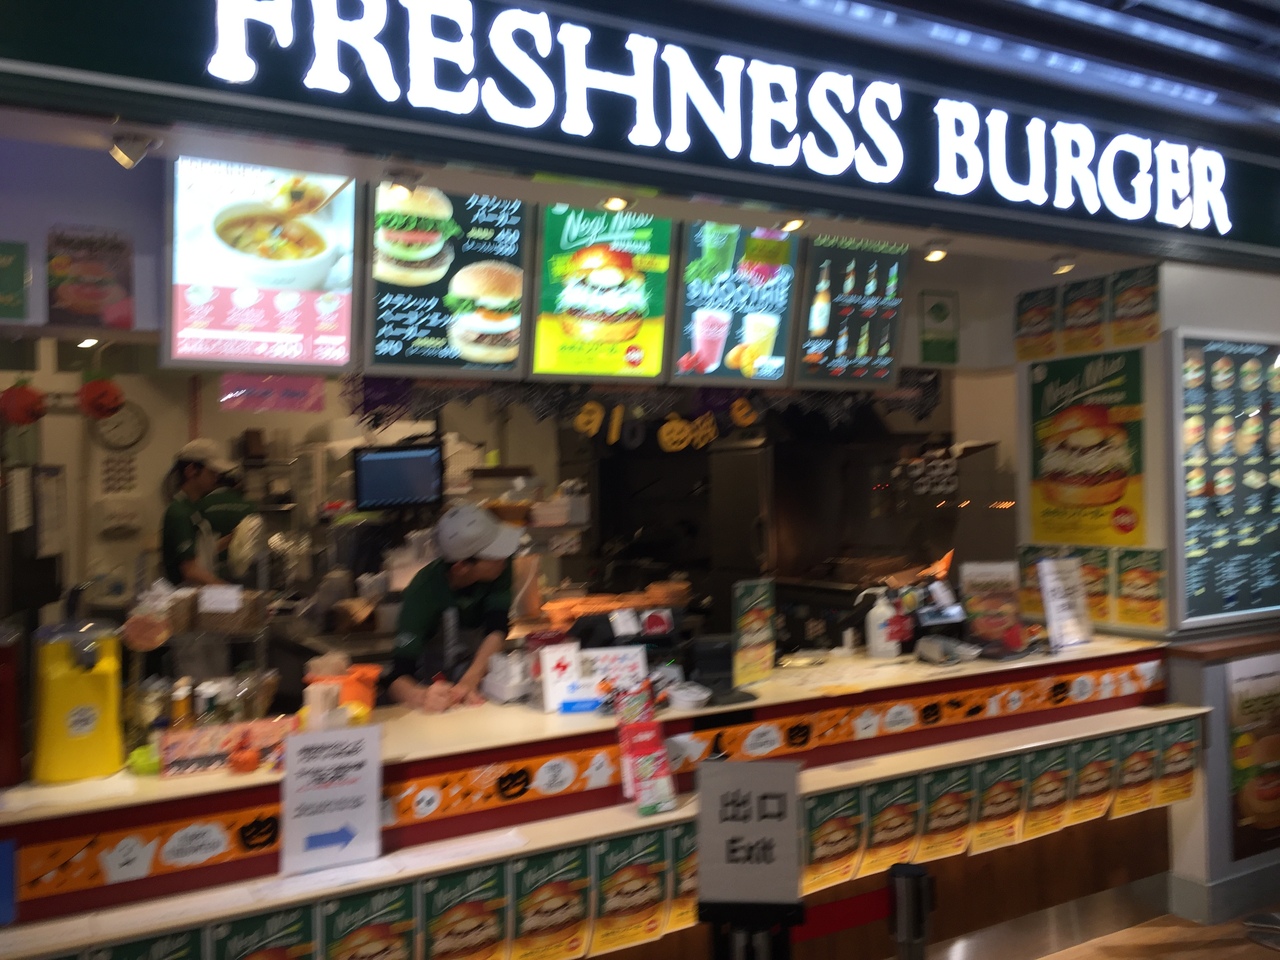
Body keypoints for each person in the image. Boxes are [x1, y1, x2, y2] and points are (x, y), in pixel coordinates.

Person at [388, 504, 521, 713]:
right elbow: (396, 677)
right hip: (436, 701)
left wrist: (469, 681)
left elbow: (497, 627)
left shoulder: (500, 566)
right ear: (461, 567)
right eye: (493, 554)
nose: (504, 556)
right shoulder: (423, 591)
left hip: (483, 695)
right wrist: (420, 696)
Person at [161, 438, 234, 586]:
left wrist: (234, 538)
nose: (216, 477)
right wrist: (228, 591)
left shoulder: (192, 507)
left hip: (200, 593)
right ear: (191, 471)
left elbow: (199, 553)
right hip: (185, 595)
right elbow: (190, 570)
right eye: (212, 471)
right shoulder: (179, 513)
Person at [198, 471, 257, 580]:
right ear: (238, 483)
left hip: (209, 571)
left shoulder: (201, 505)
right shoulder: (249, 506)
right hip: (244, 569)